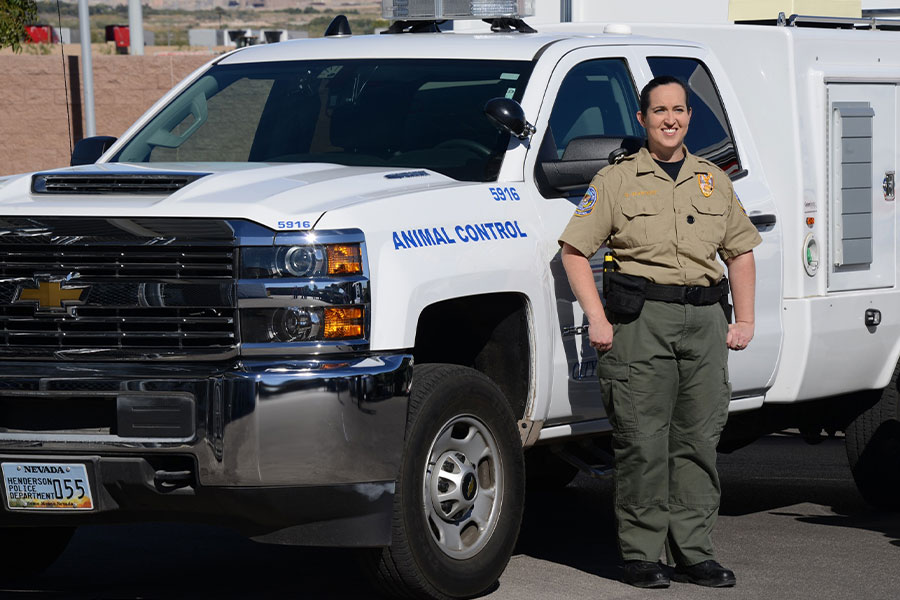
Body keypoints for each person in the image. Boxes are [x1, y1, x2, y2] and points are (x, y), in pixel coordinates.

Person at [558, 75, 761, 589]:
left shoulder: (714, 179)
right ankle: (644, 554)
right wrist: (598, 319)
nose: (670, 119)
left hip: (705, 321)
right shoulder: (615, 182)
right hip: (642, 322)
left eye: (679, 109)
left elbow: (739, 252)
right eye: (659, 111)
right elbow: (575, 252)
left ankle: (695, 552)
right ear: (643, 119)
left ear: (689, 116)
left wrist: (745, 320)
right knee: (643, 442)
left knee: (698, 440)